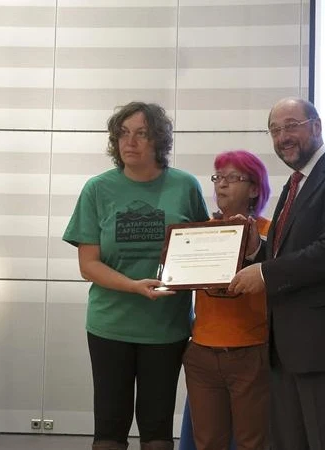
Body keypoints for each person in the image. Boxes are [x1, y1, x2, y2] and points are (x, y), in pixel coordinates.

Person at [230, 98, 325, 450]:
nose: (283, 136)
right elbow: (291, 255)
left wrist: (264, 272)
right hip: (288, 351)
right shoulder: (295, 184)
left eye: (292, 125)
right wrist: (255, 251)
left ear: (316, 126)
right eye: (275, 130)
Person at [63, 102, 210, 450]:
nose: (130, 142)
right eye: (123, 134)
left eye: (141, 133)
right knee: (110, 427)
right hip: (110, 325)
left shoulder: (185, 186)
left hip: (166, 327)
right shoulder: (97, 189)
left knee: (157, 427)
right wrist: (133, 286)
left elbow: (201, 249)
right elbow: (89, 266)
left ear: (159, 140)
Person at [183, 150, 272, 450]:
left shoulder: (270, 231)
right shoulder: (197, 232)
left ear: (255, 188)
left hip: (251, 351)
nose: (222, 185)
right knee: (207, 443)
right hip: (202, 353)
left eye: (233, 178)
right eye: (218, 177)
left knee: (253, 443)